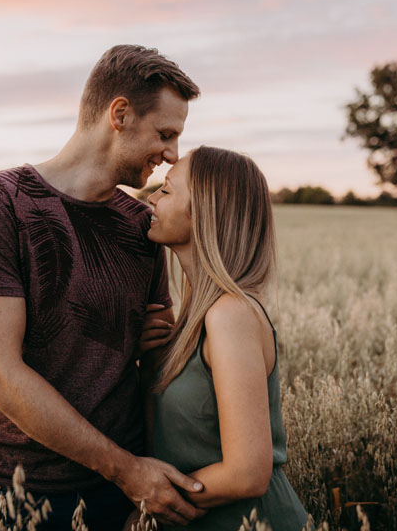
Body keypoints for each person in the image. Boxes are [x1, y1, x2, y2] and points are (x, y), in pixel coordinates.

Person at [0, 45, 205, 530]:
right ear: (120, 114)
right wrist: (128, 471)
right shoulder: (0, 203)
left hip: (118, 495)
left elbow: (149, 366)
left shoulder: (144, 227)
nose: (173, 154)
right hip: (15, 488)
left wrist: (151, 345)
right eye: (165, 133)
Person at [139, 146, 311, 529]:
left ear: (202, 211)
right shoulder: (193, 319)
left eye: (166, 190)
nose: (151, 197)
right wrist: (147, 363)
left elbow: (247, 473)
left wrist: (149, 511)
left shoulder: (230, 314)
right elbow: (168, 445)